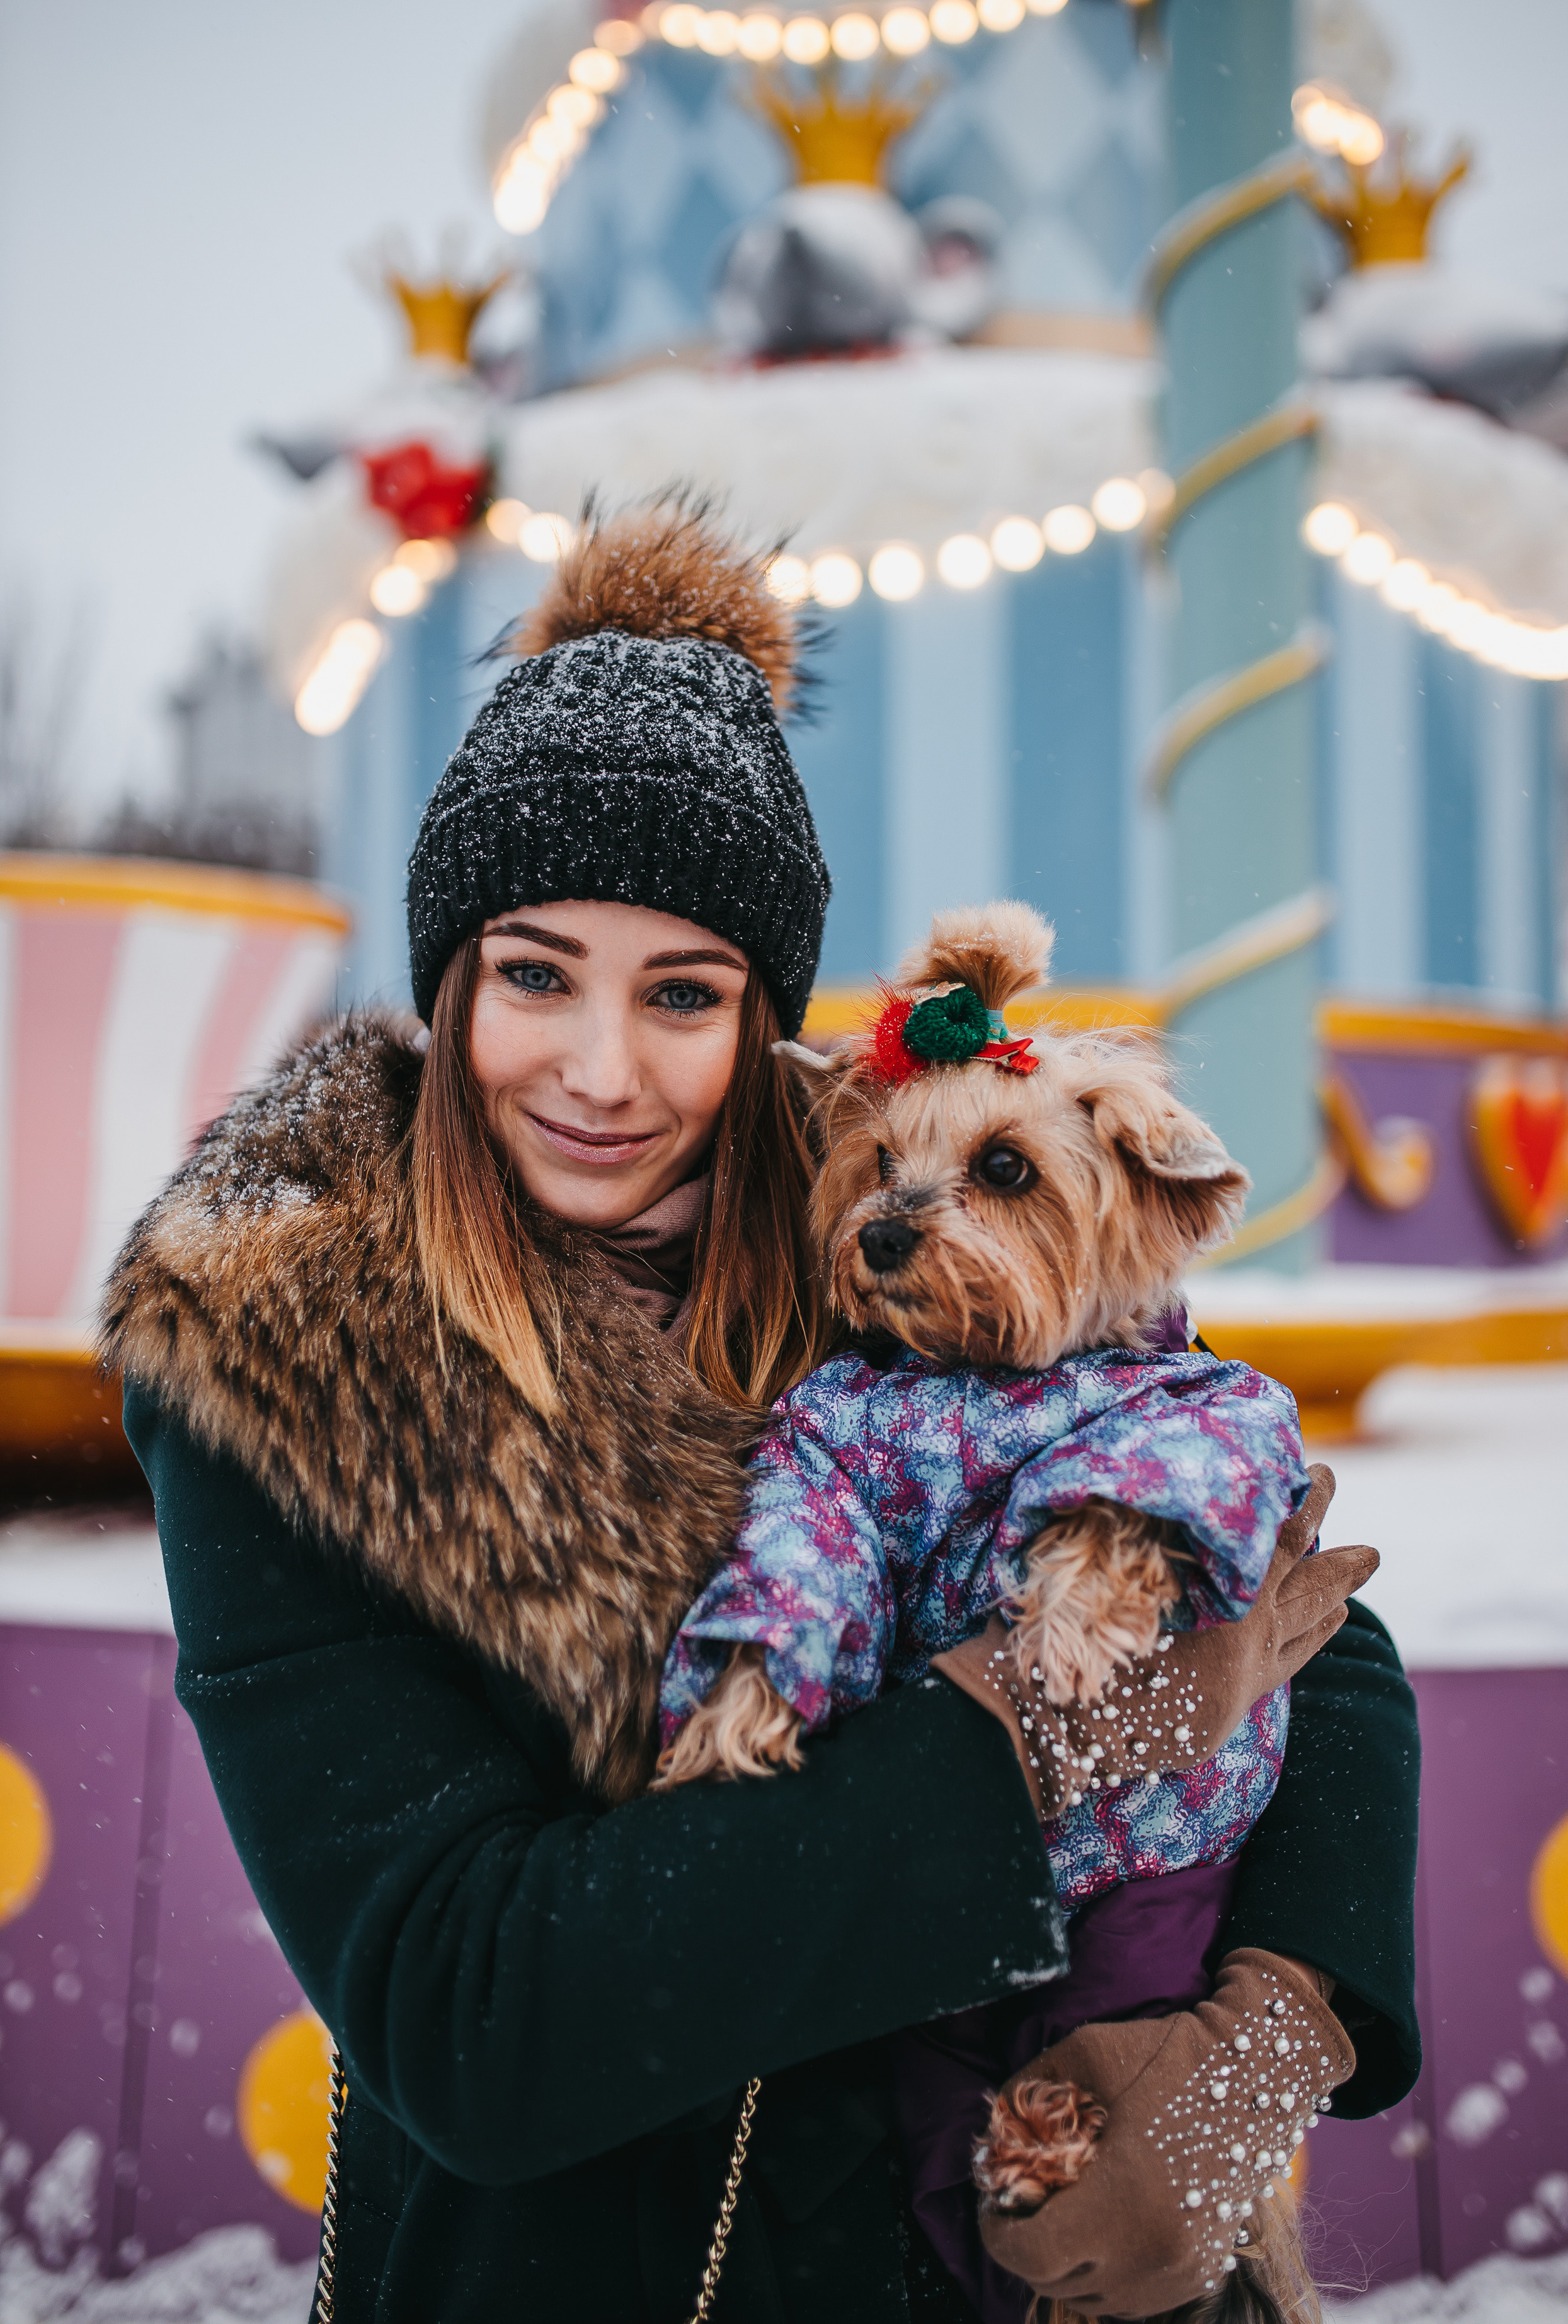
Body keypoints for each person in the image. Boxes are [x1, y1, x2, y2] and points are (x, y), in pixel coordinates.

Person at [101, 502, 1419, 2323]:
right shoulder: (290, 1366)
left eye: (684, 994)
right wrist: (1020, 1743)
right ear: (452, 979)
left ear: (758, 1015)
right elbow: (471, 2013)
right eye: (536, 973)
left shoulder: (875, 1213)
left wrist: (1269, 2036)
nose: (602, 1071)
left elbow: (1305, 1627)